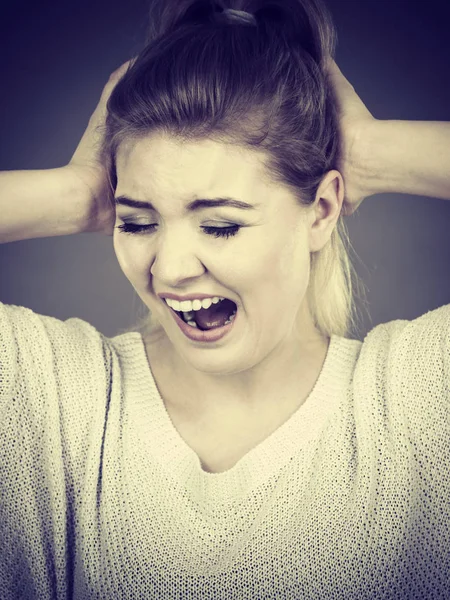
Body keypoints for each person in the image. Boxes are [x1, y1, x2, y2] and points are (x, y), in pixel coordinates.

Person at [0, 0, 449, 598]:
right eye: (137, 223)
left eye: (219, 226)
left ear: (320, 211)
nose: (170, 268)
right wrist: (72, 193)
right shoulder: (55, 397)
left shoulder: (418, 398)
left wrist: (372, 151)